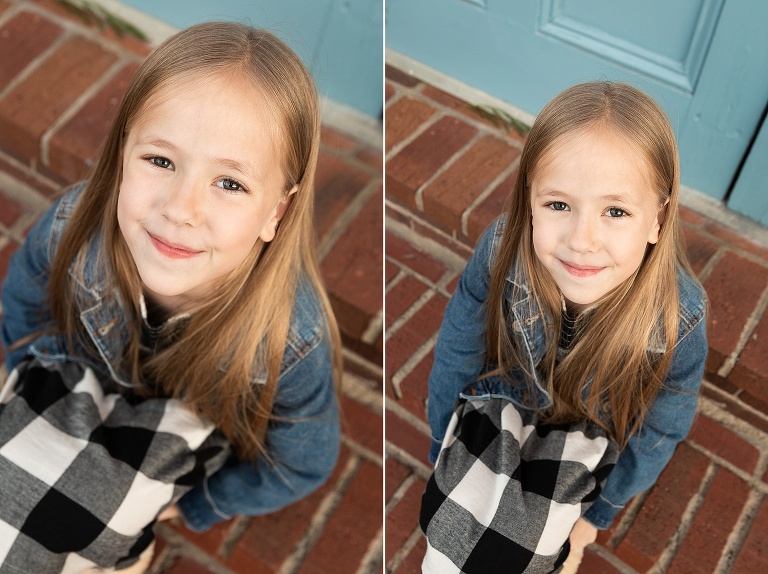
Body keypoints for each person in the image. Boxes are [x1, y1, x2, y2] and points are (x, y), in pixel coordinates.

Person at [1, 21, 341, 572]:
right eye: (160, 160)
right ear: (120, 154)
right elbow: (24, 308)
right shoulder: (72, 229)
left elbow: (300, 463)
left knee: (96, 542)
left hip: (173, 450)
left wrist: (193, 505)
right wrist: (27, 385)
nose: (182, 209)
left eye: (229, 183)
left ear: (275, 211)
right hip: (72, 390)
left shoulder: (290, 339)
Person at [420, 82, 707, 573]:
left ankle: (564, 551)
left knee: (530, 555)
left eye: (615, 211)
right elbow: (457, 345)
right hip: (506, 397)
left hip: (591, 432)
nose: (582, 240)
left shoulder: (677, 317)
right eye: (558, 205)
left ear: (657, 221)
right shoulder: (502, 250)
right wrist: (442, 439)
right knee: (446, 528)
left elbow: (664, 422)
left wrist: (601, 510)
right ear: (528, 201)